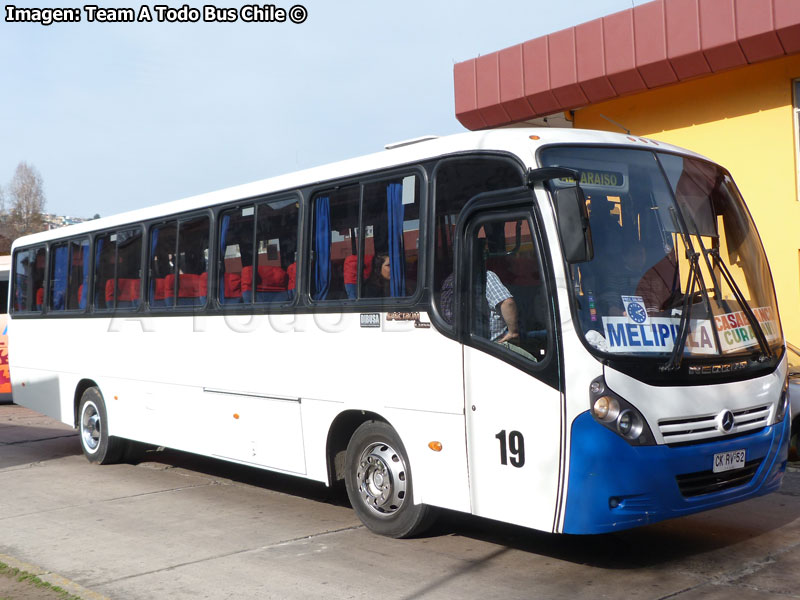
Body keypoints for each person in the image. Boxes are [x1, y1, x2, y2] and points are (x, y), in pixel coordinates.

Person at [440, 271, 520, 343]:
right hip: (493, 344)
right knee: (530, 358)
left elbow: (446, 313)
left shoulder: (450, 280)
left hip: (459, 341)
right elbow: (507, 303)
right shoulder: (486, 276)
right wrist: (513, 332)